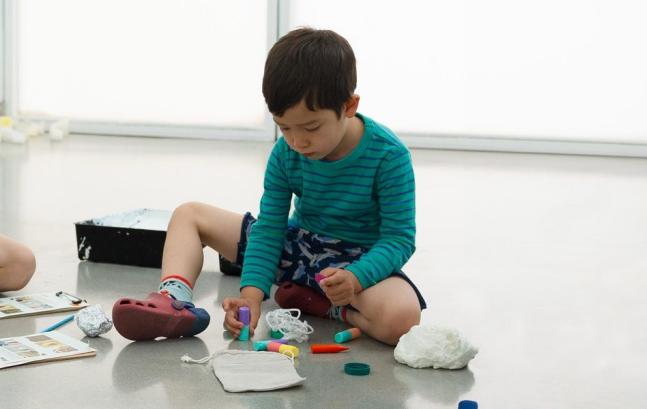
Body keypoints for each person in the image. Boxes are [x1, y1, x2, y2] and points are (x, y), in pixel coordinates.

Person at [112, 27, 426, 345]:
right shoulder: (285, 152)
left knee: (402, 319)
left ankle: (327, 306)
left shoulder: (389, 155)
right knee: (188, 214)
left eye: (311, 127)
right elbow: (270, 228)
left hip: (352, 262)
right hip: (296, 248)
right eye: (284, 127)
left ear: (348, 106)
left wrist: (356, 279)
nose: (297, 141)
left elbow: (399, 239)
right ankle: (174, 300)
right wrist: (251, 296)